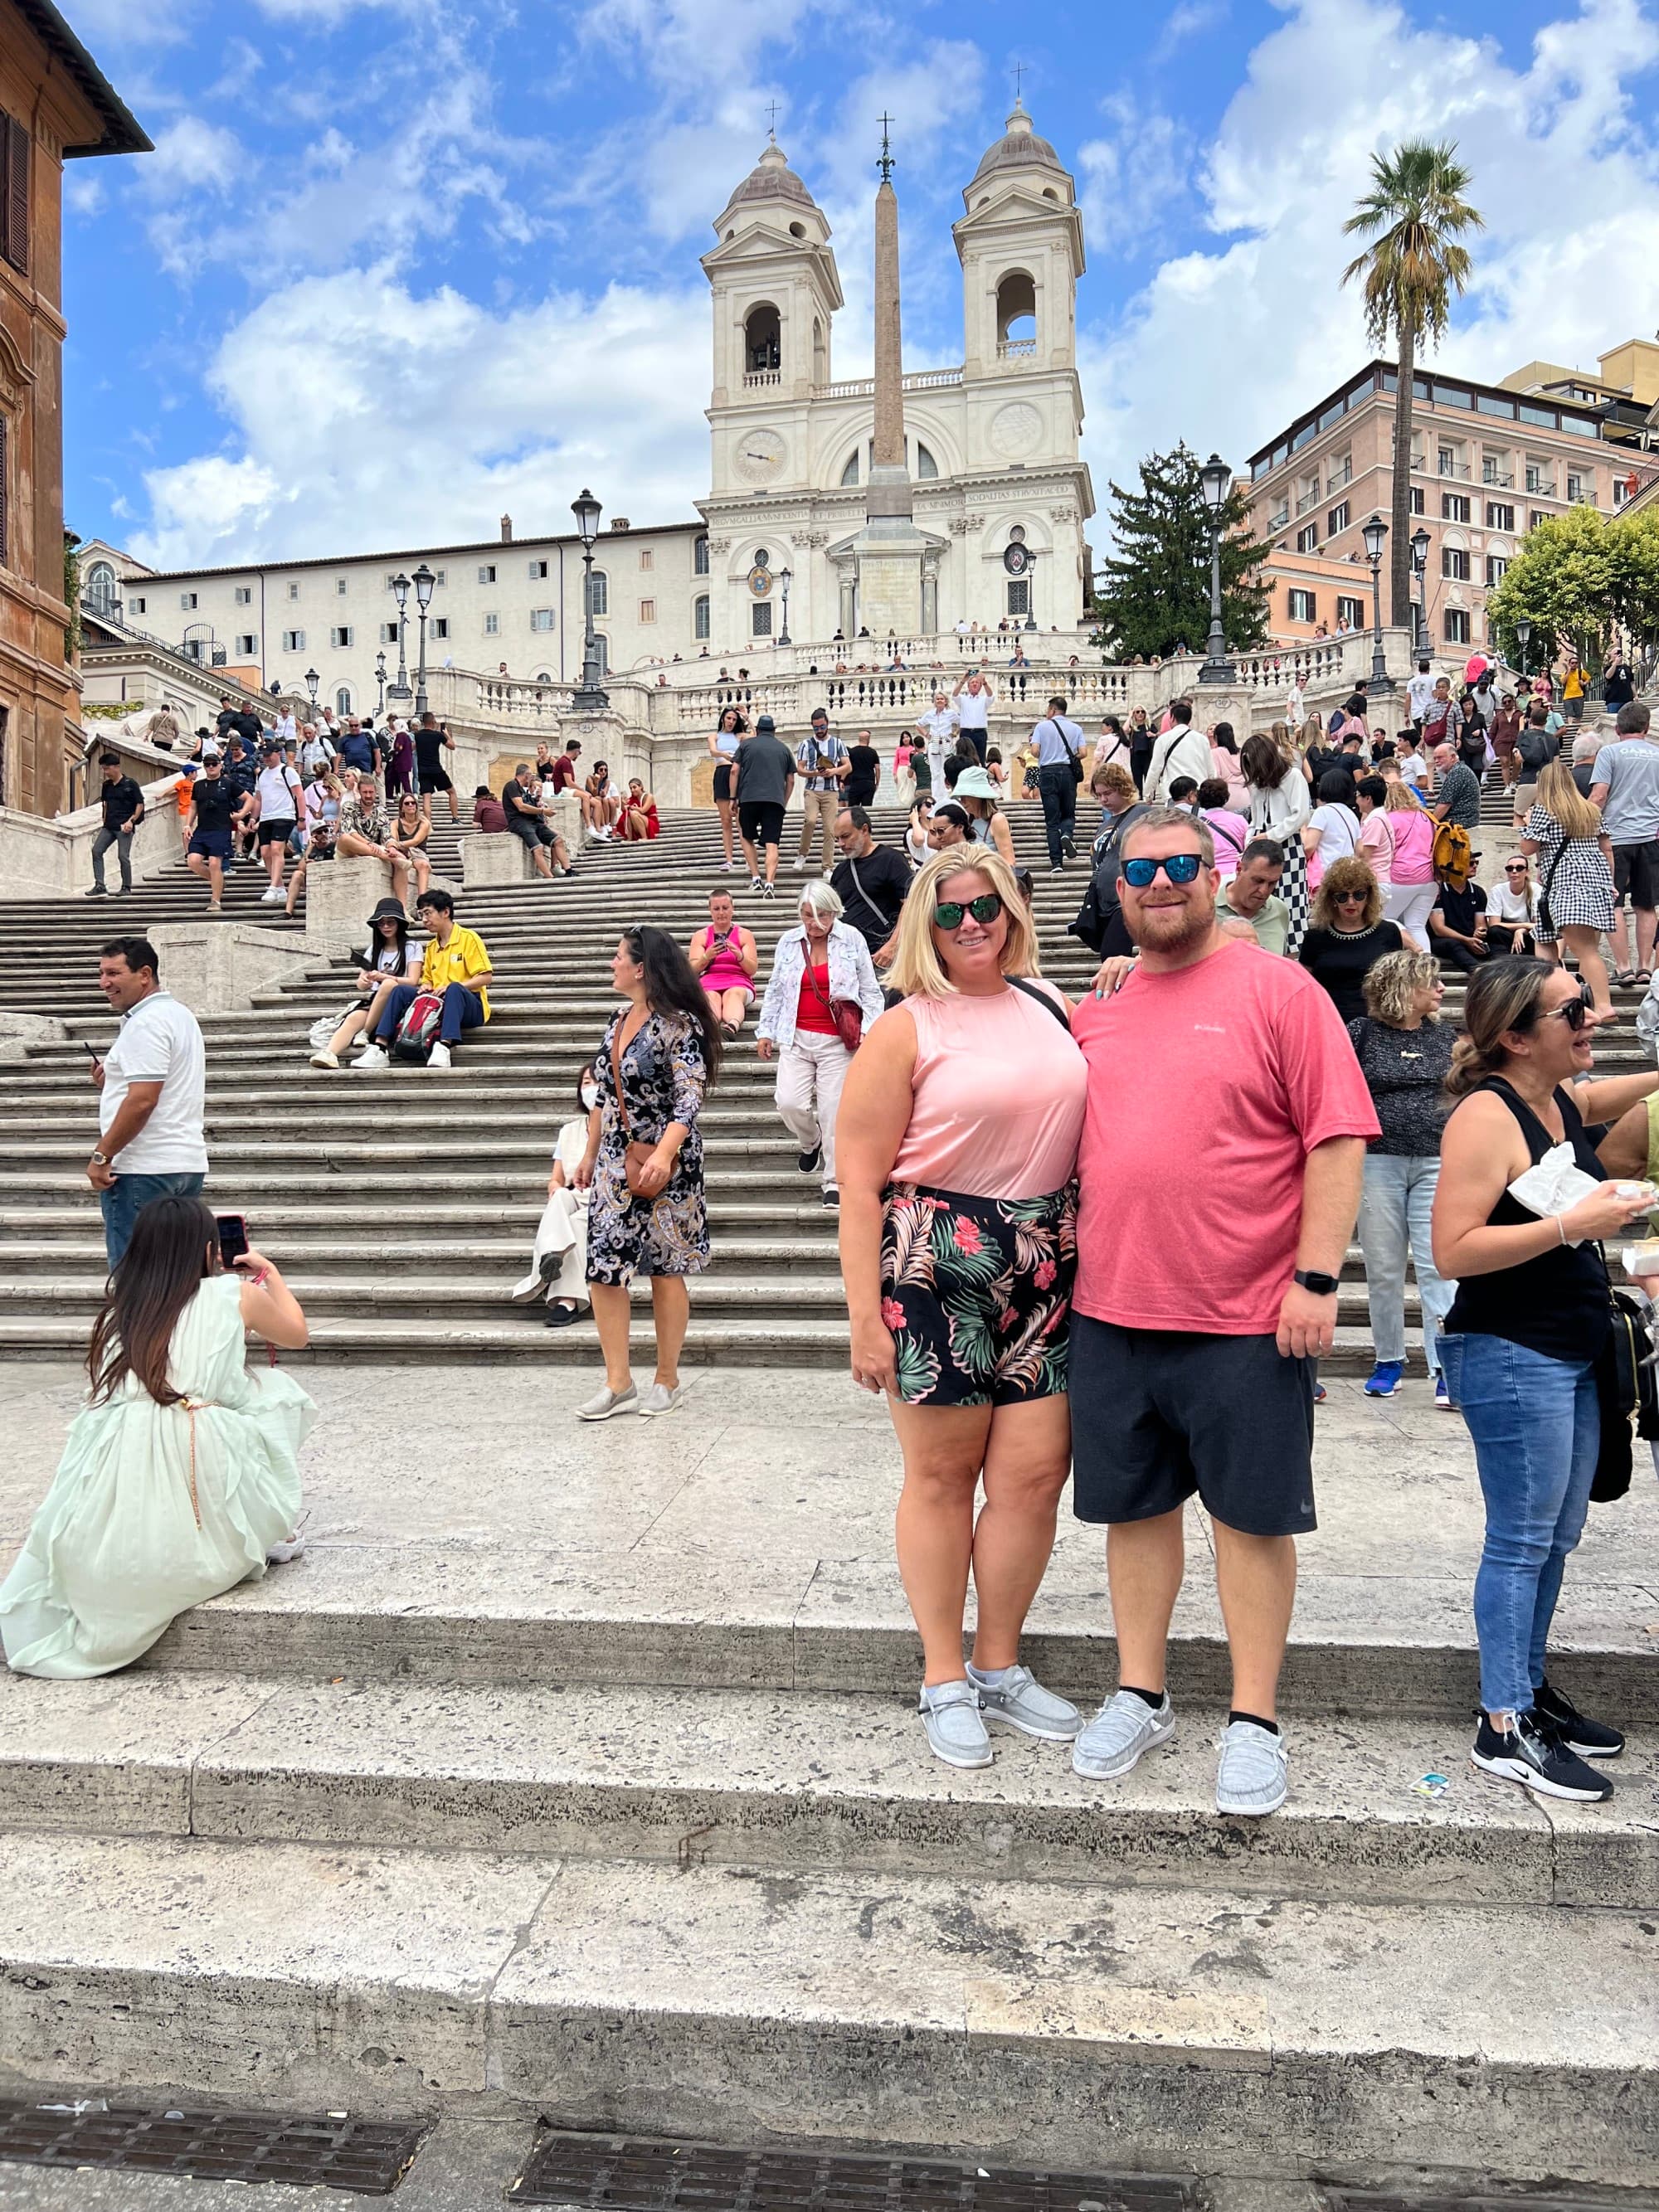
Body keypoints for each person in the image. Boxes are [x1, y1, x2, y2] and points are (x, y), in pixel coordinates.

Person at [1067, 808, 1376, 1816]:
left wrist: (1316, 1280)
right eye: (1141, 868)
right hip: (1113, 1306)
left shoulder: (1277, 988)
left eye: (1181, 866)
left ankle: (1252, 1718)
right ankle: (1140, 1689)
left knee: (1249, 1521)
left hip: (1247, 1311)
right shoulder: (1095, 1009)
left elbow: (1335, 1138)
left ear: (1217, 875)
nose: (1161, 883)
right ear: (1117, 888)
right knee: (1134, 1511)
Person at [836, 846, 1087, 1769]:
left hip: (1045, 1253)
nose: (971, 922)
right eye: (950, 912)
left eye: (986, 905)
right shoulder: (904, 1028)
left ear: (1011, 908)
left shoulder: (1052, 1005)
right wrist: (864, 1316)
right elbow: (858, 1185)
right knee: (941, 1477)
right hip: (933, 1252)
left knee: (1030, 1477)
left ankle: (997, 1664)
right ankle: (942, 1673)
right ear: (921, 926)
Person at [1433, 960, 1657, 1802]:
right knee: (1519, 1541)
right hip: (1508, 1349)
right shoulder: (1482, 1119)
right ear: (1514, 1036)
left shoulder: (1553, 1097)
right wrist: (1573, 1223)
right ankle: (1501, 1724)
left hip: (1566, 1348)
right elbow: (1452, 1250)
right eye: (1573, 1010)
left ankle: (1527, 1692)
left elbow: (1608, 1097)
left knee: (1555, 1537)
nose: (1592, 1017)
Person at [0, 1195, 313, 1679]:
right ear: (210, 1249)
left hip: (120, 1444)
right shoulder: (234, 1293)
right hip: (198, 1442)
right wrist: (268, 1273)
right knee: (273, 1393)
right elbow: (296, 1333)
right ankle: (254, 1522)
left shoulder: (126, 1307)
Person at [572, 926, 722, 1421]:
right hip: (616, 1161)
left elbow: (690, 1094)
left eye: (618, 957)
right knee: (603, 1269)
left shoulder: (680, 1025)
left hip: (670, 1163)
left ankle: (667, 1377)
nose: (611, 964)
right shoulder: (617, 1020)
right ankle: (619, 1382)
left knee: (666, 1265)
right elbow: (604, 1095)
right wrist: (591, 1154)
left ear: (641, 968)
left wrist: (663, 1153)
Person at [1345, 950, 1457, 1403]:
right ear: (1404, 987)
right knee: (1385, 1268)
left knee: (1438, 1268)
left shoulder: (1447, 1038)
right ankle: (1388, 1358)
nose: (1441, 989)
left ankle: (1448, 1366)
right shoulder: (1363, 1033)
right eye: (1431, 982)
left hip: (1436, 1160)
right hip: (1378, 1160)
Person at [757, 880, 886, 1210]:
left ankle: (833, 1181)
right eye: (807, 916)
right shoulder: (789, 941)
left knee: (833, 1112)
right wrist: (765, 1030)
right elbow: (774, 989)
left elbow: (871, 991)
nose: (814, 924)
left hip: (837, 1042)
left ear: (835, 913)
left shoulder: (851, 938)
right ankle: (809, 1141)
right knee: (789, 1102)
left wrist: (870, 1030)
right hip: (796, 1037)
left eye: (821, 916)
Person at [85, 937, 209, 1270]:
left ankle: (137, 1325)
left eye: (113, 973)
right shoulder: (179, 1015)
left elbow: (142, 1100)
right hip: (184, 1162)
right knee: (175, 1278)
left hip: (143, 1168)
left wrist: (103, 1155)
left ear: (144, 974)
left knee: (134, 1278)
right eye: (101, 973)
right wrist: (114, 1079)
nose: (104, 983)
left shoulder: (147, 1022)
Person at [1519, 758, 1617, 1018]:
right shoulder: (1590, 810)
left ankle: (1604, 1006)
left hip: (1565, 885)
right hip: (1593, 884)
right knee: (1545, 941)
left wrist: (1527, 824)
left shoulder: (1544, 810)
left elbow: (1527, 848)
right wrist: (1610, 883)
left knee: (1585, 950)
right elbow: (1607, 849)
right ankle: (1555, 999)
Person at [362, 888, 492, 1072]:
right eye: (421, 914)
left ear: (445, 912)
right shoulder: (431, 946)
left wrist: (452, 987)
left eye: (428, 913)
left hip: (470, 1006)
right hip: (438, 1003)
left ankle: (444, 1046)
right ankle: (380, 1047)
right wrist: (426, 985)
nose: (424, 919)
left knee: (454, 988)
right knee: (399, 990)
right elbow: (428, 980)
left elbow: (486, 977)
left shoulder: (468, 939)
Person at [513, 1064, 600, 1329]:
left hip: (606, 1202)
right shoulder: (568, 1131)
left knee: (574, 1224)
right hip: (574, 1196)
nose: (591, 1087)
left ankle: (566, 1300)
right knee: (560, 1196)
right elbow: (557, 1177)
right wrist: (554, 1186)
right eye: (586, 1082)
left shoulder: (621, 1128)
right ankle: (552, 1253)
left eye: (597, 1082)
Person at [1588, 703, 1659, 985]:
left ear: (1617, 729)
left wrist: (1582, 825)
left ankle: (1623, 967)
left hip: (1614, 838)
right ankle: (1645, 967)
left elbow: (1599, 795)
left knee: (1613, 902)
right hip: (1651, 837)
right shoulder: (1657, 755)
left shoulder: (1609, 752)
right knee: (1646, 905)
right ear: (1646, 727)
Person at [308, 897, 421, 1068]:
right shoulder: (374, 949)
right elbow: (361, 985)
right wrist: (364, 980)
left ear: (399, 923)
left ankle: (365, 1032)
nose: (386, 927)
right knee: (354, 1016)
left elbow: (413, 981)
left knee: (389, 985)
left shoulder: (412, 947)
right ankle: (330, 1053)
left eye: (390, 922)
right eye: (381, 923)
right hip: (376, 1001)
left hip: (401, 1001)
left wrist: (386, 978)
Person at [1297, 856, 1410, 1023]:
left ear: (1369, 896)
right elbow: (1305, 986)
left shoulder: (1388, 932)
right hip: (1328, 1023)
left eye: (1359, 895)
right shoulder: (1315, 937)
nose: (1351, 902)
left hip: (1376, 1026)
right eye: (1342, 896)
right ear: (1331, 899)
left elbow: (1397, 985)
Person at [1240, 728, 1312, 951]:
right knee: (1259, 900)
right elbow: (1255, 817)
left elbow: (1300, 814)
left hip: (1287, 847)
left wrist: (1272, 835)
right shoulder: (1258, 785)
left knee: (1291, 904)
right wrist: (1249, 840)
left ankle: (1293, 952)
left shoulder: (1292, 777)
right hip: (1261, 845)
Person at [831, 806, 911, 962]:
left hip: (884, 956)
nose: (841, 844)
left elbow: (911, 904)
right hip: (850, 959)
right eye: (837, 839)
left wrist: (893, 945)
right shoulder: (840, 871)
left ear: (864, 830)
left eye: (846, 836)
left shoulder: (891, 859)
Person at [733, 712, 796, 899]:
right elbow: (791, 780)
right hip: (774, 801)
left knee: (746, 837)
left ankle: (755, 878)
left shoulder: (746, 745)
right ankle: (770, 882)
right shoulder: (784, 749)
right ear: (774, 731)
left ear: (758, 730)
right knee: (772, 844)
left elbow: (734, 771)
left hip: (749, 798)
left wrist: (732, 798)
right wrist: (783, 801)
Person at [183, 754, 250, 915]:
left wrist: (241, 816)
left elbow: (249, 799)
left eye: (214, 764)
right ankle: (218, 882)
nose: (211, 767)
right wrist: (187, 824)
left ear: (220, 765)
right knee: (193, 861)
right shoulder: (198, 785)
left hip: (221, 829)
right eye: (207, 765)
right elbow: (193, 807)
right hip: (203, 829)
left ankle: (216, 900)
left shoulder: (228, 784)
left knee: (215, 863)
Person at [1024, 693, 1083, 871]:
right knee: (1068, 813)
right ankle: (1066, 834)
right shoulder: (1076, 728)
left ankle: (1056, 862)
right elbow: (1083, 753)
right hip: (1067, 772)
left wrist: (1047, 753)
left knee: (1051, 820)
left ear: (1052, 709)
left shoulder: (1042, 727)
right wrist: (1069, 756)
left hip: (1048, 772)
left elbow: (1035, 751)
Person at [688, 888, 759, 1038]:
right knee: (711, 996)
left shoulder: (744, 935)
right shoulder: (700, 936)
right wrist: (707, 957)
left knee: (733, 994)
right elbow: (692, 970)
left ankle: (731, 1026)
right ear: (710, 910)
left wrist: (739, 955)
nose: (721, 913)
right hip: (709, 981)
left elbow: (752, 969)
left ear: (732, 908)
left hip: (739, 980)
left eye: (725, 908)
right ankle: (712, 1027)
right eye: (716, 909)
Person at [1379, 778, 1438, 944]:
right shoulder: (1427, 817)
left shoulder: (1389, 819)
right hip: (1429, 879)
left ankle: (1411, 951)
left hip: (1400, 877)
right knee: (1417, 925)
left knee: (1386, 920)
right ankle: (1426, 965)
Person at [251, 741, 305, 905]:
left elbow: (300, 795)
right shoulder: (261, 774)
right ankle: (280, 887)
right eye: (264, 756)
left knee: (276, 849)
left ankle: (273, 886)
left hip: (284, 815)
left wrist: (301, 818)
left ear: (277, 753)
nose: (266, 758)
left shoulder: (287, 771)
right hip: (266, 817)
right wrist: (254, 817)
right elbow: (258, 798)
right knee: (265, 852)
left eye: (268, 755)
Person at [795, 706, 849, 874]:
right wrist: (814, 773)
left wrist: (833, 771)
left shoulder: (837, 743)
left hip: (831, 791)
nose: (819, 730)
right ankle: (802, 854)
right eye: (816, 728)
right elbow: (800, 769)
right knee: (810, 821)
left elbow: (848, 766)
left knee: (830, 829)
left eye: (822, 727)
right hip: (812, 788)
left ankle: (828, 866)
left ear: (827, 724)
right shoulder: (806, 744)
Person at [86, 753, 146, 897]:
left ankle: (126, 886)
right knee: (97, 851)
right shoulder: (106, 785)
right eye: (103, 769)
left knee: (123, 856)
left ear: (117, 767)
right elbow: (105, 804)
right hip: (109, 826)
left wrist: (131, 821)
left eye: (107, 769)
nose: (105, 772)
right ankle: (100, 884)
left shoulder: (130, 784)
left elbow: (140, 804)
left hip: (125, 826)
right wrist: (104, 820)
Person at [1216, 839, 1290, 952]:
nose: (1264, 891)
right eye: (1258, 880)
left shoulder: (1280, 911)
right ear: (1239, 869)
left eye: (1272, 883)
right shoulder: (1207, 909)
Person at [499, 763, 565, 880]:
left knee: (557, 839)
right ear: (526, 775)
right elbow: (521, 807)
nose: (532, 778)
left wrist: (538, 803)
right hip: (519, 823)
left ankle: (565, 869)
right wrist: (543, 811)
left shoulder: (522, 790)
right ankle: (550, 878)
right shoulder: (511, 785)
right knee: (538, 848)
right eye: (531, 775)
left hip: (530, 822)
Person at [1301, 768, 1362, 888]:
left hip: (1327, 874)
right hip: (1347, 873)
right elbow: (1360, 850)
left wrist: (1303, 830)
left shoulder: (1322, 812)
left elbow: (1309, 846)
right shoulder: (1351, 814)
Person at [1145, 699, 1211, 804]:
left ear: (1172, 718)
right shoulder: (1202, 739)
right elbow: (1210, 769)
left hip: (1174, 794)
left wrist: (1148, 795)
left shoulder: (1163, 739)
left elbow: (1155, 769)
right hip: (1197, 793)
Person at [951, 766, 1017, 866]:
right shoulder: (970, 820)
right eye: (961, 796)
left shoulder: (997, 820)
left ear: (979, 796)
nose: (962, 800)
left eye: (966, 795)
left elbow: (1009, 862)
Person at [708, 705, 747, 868]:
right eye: (729, 718)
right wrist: (726, 755)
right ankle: (729, 859)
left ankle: (747, 858)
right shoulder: (714, 736)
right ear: (723, 718)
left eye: (734, 719)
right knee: (725, 821)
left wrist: (747, 717)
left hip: (737, 773)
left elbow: (758, 737)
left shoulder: (739, 736)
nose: (731, 722)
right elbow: (713, 752)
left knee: (741, 821)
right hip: (722, 772)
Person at [1428, 873, 1490, 973]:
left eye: (1476, 863)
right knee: (1452, 944)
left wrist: (1480, 933)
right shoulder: (1438, 891)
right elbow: (1439, 929)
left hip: (1470, 940)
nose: (1475, 866)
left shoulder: (1478, 892)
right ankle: (1478, 971)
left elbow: (1480, 924)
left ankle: (1504, 972)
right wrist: (1466, 940)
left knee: (1496, 939)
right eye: (1470, 863)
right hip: (1442, 940)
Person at [1195, 778, 1249, 881]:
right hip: (1236, 873)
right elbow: (1247, 846)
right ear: (1226, 797)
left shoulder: (1197, 826)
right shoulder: (1239, 820)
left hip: (1209, 875)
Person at [1486, 856, 1539, 958]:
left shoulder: (1536, 889)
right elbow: (1494, 924)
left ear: (1527, 872)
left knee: (1537, 936)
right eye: (1510, 868)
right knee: (1495, 932)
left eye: (1519, 868)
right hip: (1505, 934)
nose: (1514, 871)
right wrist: (1526, 925)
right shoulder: (1498, 890)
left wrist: (1521, 930)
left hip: (1527, 935)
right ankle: (1504, 962)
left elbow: (1536, 926)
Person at [385, 795, 433, 901]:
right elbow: (392, 838)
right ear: (402, 808)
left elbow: (416, 841)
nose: (410, 805)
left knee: (423, 865)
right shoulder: (396, 823)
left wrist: (399, 844)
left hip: (418, 853)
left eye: (413, 803)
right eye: (407, 803)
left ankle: (422, 901)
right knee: (400, 862)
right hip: (402, 853)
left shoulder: (424, 823)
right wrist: (396, 845)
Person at [415, 712, 460, 824]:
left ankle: (428, 824)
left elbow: (411, 747)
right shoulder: (437, 735)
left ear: (423, 723)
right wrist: (446, 734)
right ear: (433, 722)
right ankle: (455, 818)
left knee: (426, 797)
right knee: (452, 792)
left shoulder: (417, 735)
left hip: (422, 770)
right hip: (436, 769)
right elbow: (452, 746)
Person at [1431, 743, 1482, 836]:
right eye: (1435, 758)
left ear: (1453, 757)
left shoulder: (1457, 773)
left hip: (1458, 827)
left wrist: (1428, 826)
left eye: (1440, 757)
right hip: (1462, 824)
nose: (1436, 761)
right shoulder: (1460, 770)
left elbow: (1444, 805)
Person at [917, 690, 960, 791]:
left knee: (946, 769)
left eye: (942, 699)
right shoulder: (930, 714)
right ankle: (936, 796)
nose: (939, 701)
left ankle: (947, 793)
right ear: (935, 701)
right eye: (938, 699)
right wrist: (927, 735)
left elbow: (961, 722)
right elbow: (918, 725)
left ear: (946, 701)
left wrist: (955, 733)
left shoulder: (951, 713)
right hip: (934, 742)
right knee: (935, 771)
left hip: (946, 742)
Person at [952, 668, 994, 762]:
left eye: (977, 683)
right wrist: (963, 680)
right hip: (966, 732)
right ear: (968, 686)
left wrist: (985, 682)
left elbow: (991, 696)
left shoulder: (983, 700)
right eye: (972, 683)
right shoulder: (963, 699)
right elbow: (954, 695)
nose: (975, 684)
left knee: (980, 758)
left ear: (980, 686)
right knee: (963, 758)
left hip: (980, 733)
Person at [844, 727, 882, 808]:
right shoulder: (873, 752)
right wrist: (877, 782)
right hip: (869, 783)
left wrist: (842, 780)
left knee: (853, 809)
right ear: (869, 740)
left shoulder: (852, 752)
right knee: (867, 808)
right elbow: (877, 768)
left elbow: (847, 767)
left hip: (855, 783)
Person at [618, 776, 661, 842]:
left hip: (651, 824)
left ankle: (644, 837)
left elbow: (643, 810)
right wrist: (623, 802)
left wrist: (631, 807)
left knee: (634, 813)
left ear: (641, 786)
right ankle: (630, 838)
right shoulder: (632, 798)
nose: (632, 790)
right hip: (639, 822)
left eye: (634, 787)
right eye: (631, 788)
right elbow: (624, 810)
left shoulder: (649, 796)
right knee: (628, 814)